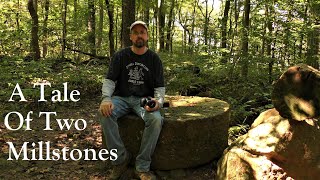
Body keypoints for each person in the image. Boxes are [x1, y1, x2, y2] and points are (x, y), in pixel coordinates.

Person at [99, 20, 165, 180]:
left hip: (143, 99)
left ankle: (142, 167)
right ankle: (120, 159)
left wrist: (158, 102)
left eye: (142, 32)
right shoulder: (120, 56)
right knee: (104, 113)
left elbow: (160, 88)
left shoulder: (154, 59)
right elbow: (109, 81)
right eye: (135, 32)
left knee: (156, 120)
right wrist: (106, 98)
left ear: (147, 36)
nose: (139, 35)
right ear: (130, 36)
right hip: (121, 97)